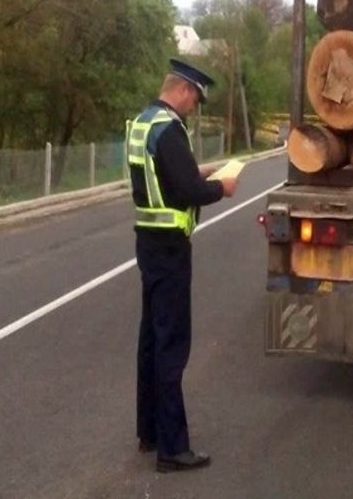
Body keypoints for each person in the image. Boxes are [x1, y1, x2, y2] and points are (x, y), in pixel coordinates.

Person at [126, 58, 238, 473]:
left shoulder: (143, 123)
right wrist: (220, 187)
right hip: (171, 247)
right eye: (195, 98)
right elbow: (187, 189)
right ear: (184, 90)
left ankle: (150, 431)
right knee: (172, 343)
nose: (194, 106)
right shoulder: (170, 128)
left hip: (148, 242)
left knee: (151, 340)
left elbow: (166, 177)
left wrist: (198, 172)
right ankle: (173, 449)